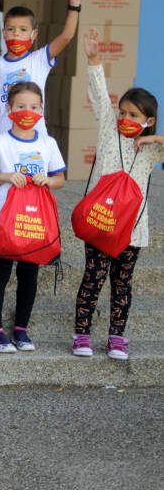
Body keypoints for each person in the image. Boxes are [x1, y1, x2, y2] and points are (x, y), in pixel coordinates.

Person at [72, 29, 162, 360]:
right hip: (100, 223)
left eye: (134, 115)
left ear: (149, 121)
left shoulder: (151, 152)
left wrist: (154, 140)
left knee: (122, 284)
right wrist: (94, 59)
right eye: (123, 112)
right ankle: (81, 333)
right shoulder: (109, 132)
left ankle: (117, 337)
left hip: (132, 232)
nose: (125, 118)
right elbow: (98, 96)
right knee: (92, 280)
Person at [0, 82, 65, 354]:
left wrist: (48, 180)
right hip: (5, 220)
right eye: (21, 106)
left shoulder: (48, 143)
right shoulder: (0, 142)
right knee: (0, 274)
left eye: (34, 107)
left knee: (30, 275)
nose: (28, 111)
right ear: (8, 109)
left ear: (42, 110)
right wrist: (5, 176)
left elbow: (61, 178)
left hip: (34, 221)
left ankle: (21, 329)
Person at [0, 0, 83, 136]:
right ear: (4, 33)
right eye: (10, 29)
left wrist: (74, 4)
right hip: (2, 135)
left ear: (33, 35)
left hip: (36, 134)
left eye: (23, 29)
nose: (16, 34)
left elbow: (66, 37)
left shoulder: (39, 59)